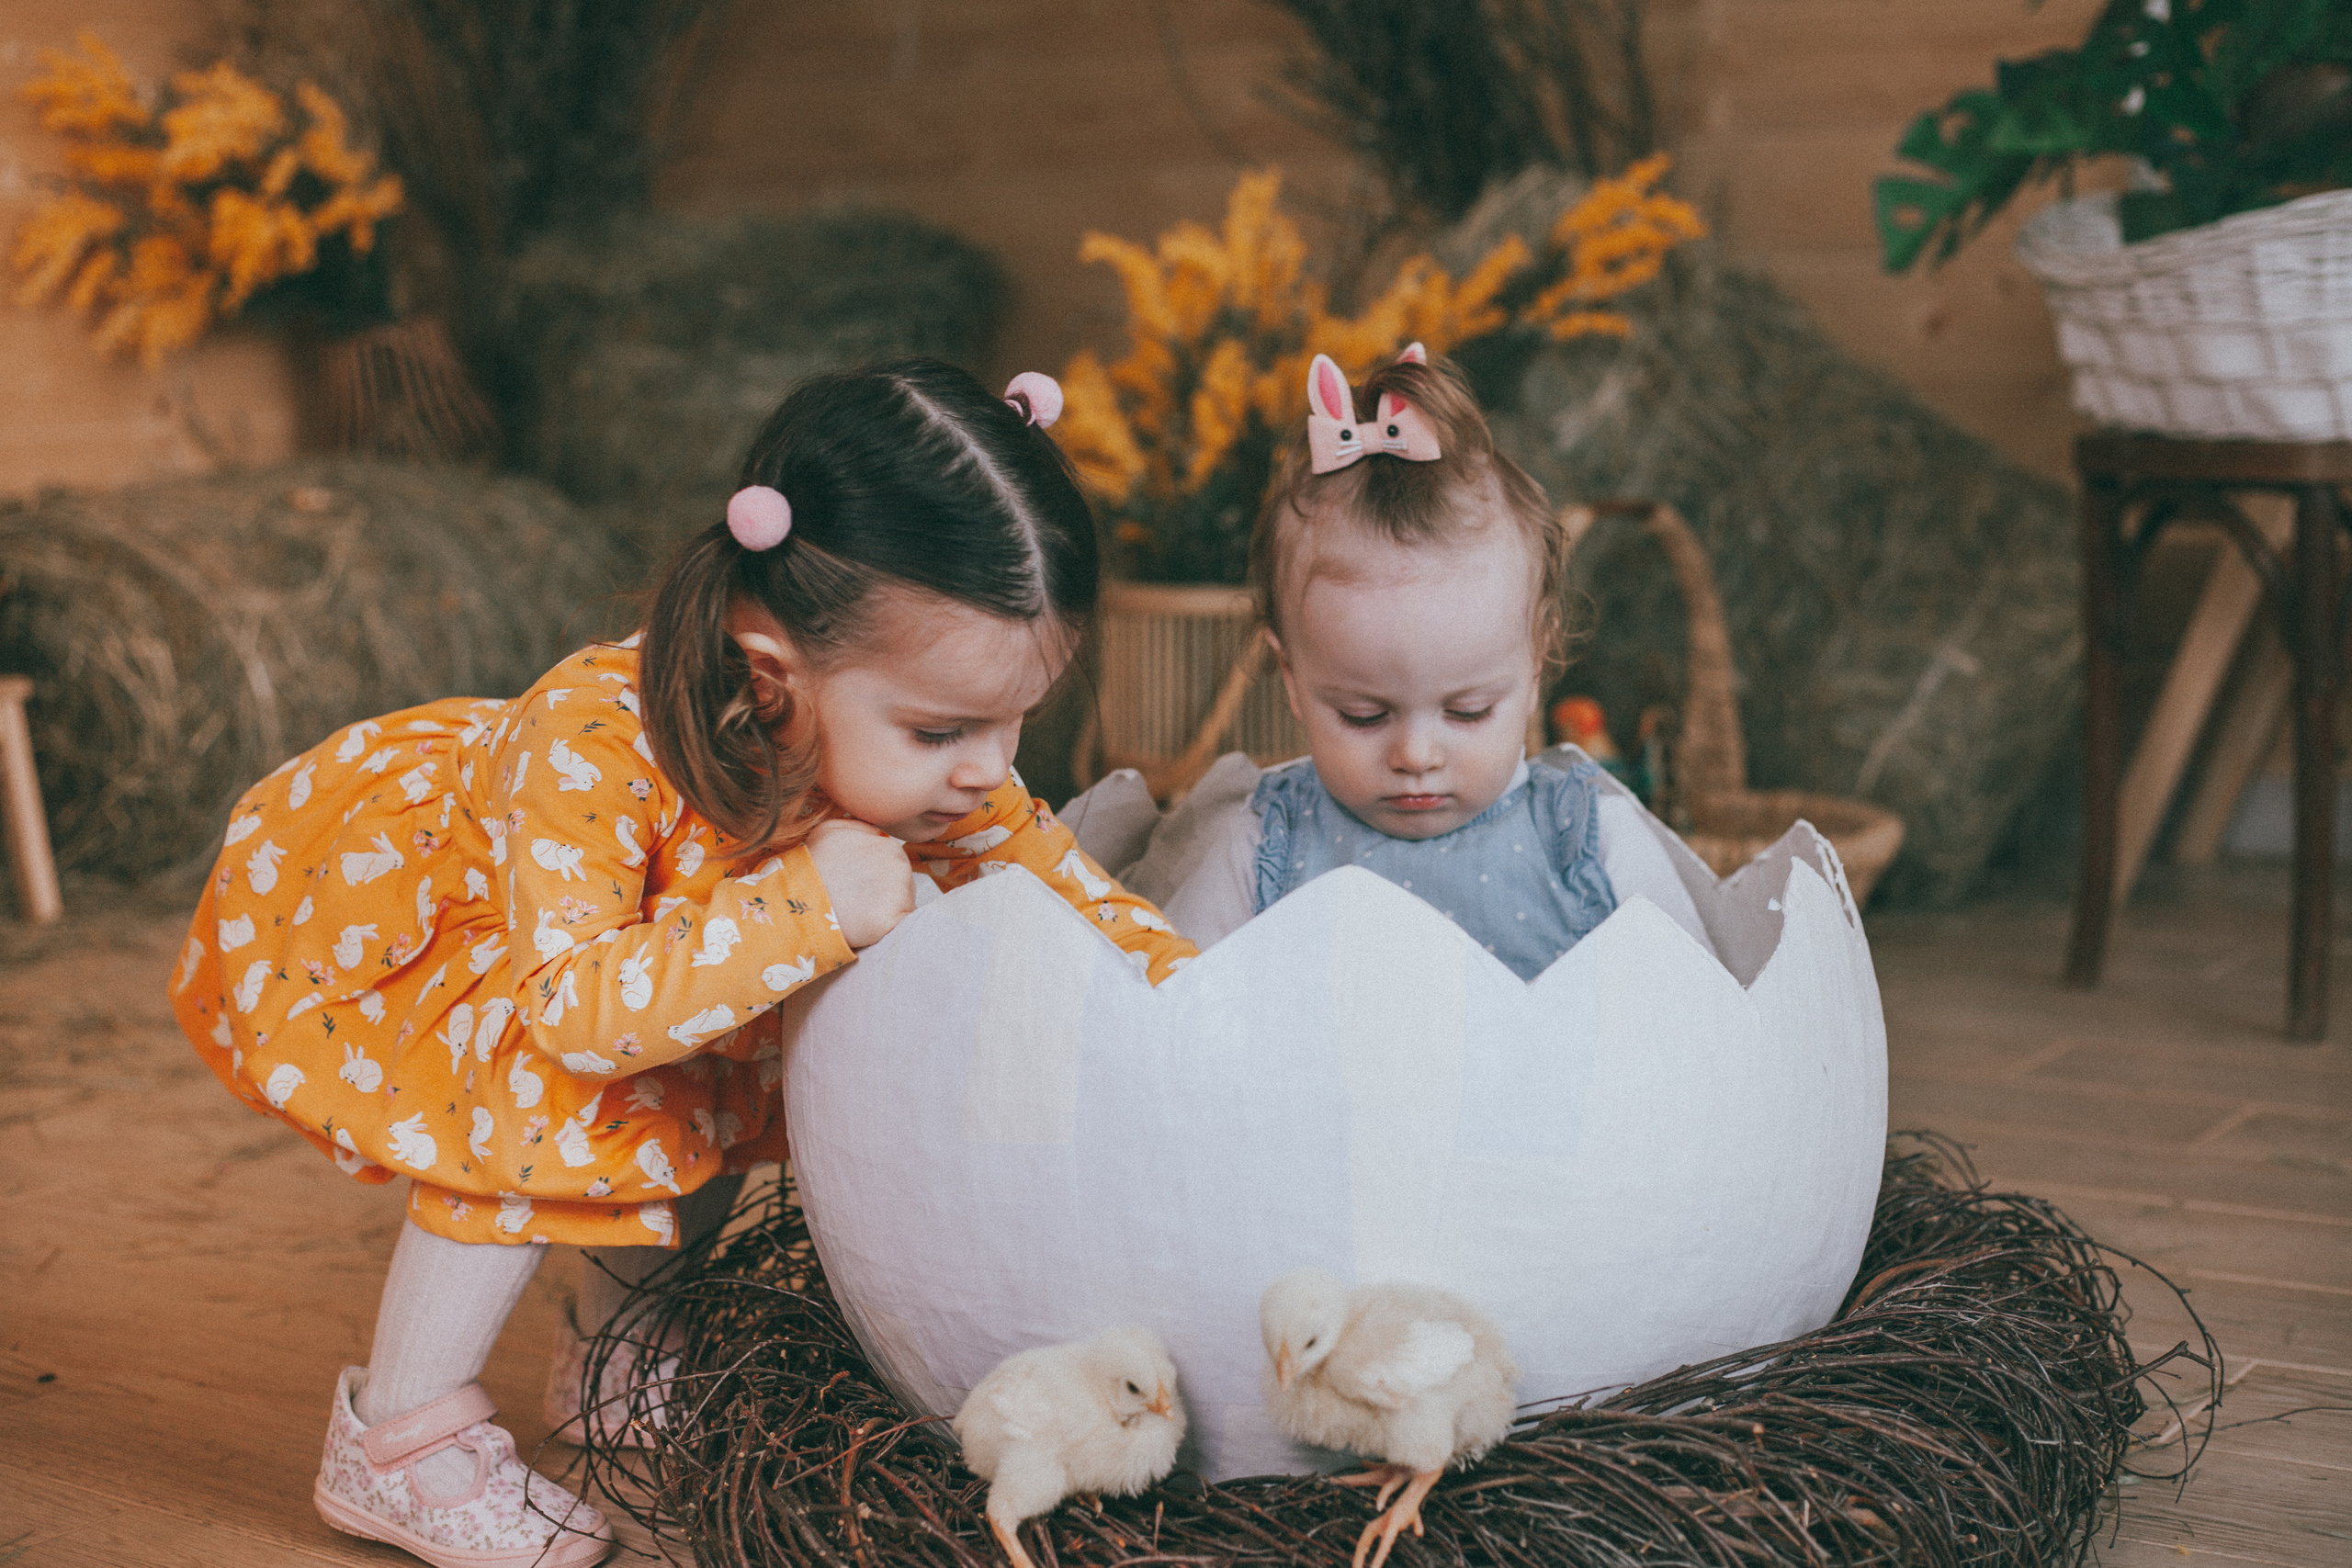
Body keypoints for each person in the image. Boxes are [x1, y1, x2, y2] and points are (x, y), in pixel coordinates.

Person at [169, 359, 1195, 1568]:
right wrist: (804, 906)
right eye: (942, 729)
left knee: (698, 1088)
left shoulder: (940, 770)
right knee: (542, 1099)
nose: (988, 768)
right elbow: (571, 1012)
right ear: (771, 674)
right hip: (482, 958)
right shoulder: (592, 741)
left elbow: (1066, 894)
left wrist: (1196, 1000)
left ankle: (617, 1359)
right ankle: (395, 1433)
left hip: (653, 978)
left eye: (1015, 719)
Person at [1121, 344, 1713, 975]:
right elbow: (1171, 1012)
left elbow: (1702, 1007)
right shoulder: (1264, 846)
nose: (1416, 756)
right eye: (1364, 715)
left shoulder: (1588, 840)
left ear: (1537, 662)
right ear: (1290, 675)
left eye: (1468, 711)